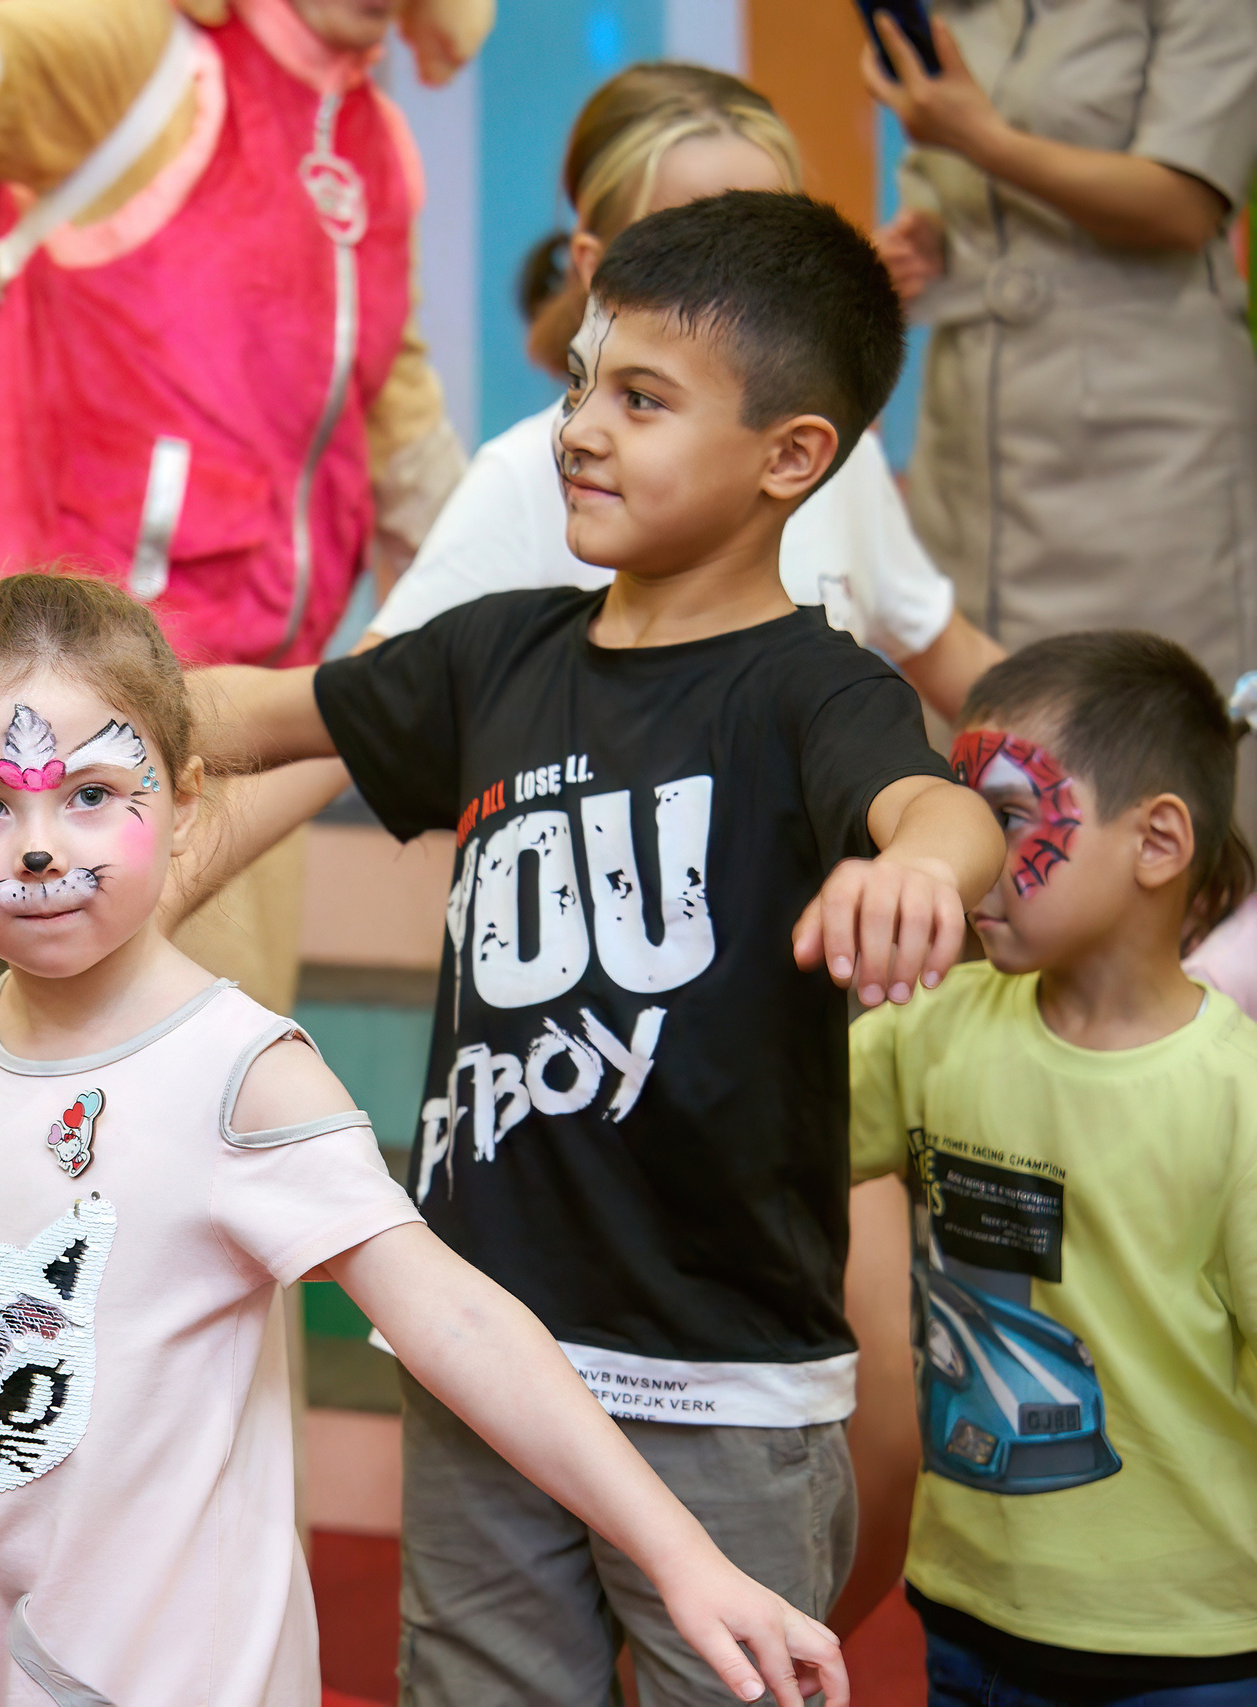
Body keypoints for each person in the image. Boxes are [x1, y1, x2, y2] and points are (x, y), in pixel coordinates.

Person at [0, 571, 848, 1707]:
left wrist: (685, 1554)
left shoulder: (239, 1072)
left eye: (94, 792)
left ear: (187, 793)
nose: (39, 844)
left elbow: (458, 1317)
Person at [185, 192, 1006, 1700]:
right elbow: (248, 710)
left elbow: (935, 811)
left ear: (791, 458)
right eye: (580, 382)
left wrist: (920, 874)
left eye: (642, 398)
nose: (581, 427)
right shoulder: (499, 653)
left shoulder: (811, 689)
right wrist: (25, 723)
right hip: (488, 1341)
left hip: (724, 1380)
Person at [0, 0, 489, 1030]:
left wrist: (492, 631)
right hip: (91, 696)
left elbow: (397, 418)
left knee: (222, 1073)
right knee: (158, 1085)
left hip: (262, 709)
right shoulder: (148, 62)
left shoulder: (373, 142)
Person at [850, 632, 1257, 1703]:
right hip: (965, 1613)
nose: (971, 859)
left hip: (1190, 1652)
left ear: (1157, 842)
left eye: (1008, 819)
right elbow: (764, 1136)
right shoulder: (928, 1027)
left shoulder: (1238, 1100)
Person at [379, 60, 1002, 717]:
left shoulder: (840, 465)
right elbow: (357, 715)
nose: (740, 293)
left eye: (769, 249)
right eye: (692, 251)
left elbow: (963, 669)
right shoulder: (525, 478)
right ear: (595, 271)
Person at [863, 2, 1257, 694]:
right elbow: (940, 179)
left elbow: (1184, 203)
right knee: (970, 728)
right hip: (968, 428)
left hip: (1145, 436)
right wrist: (920, 238)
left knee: (1143, 732)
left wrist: (984, 140)